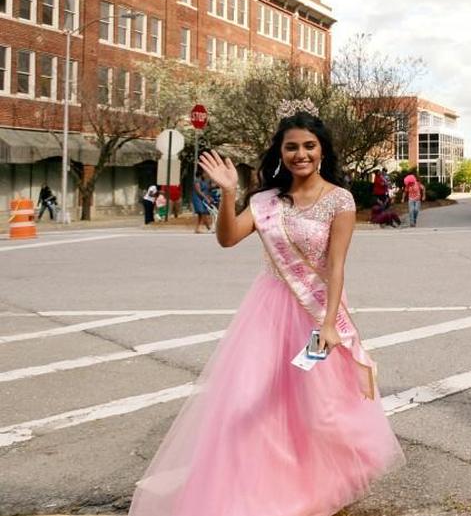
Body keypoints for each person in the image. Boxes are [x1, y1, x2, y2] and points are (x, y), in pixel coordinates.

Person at [129, 106, 403, 516]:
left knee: (320, 408)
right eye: (291, 147)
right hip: (268, 312)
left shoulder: (339, 200)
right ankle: (264, 488)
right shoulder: (266, 201)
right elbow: (227, 239)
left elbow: (336, 266)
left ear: (322, 150)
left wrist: (330, 324)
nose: (300, 154)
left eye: (309, 146)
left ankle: (326, 480)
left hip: (316, 313)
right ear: (280, 152)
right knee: (252, 404)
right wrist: (228, 193)